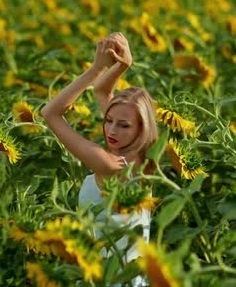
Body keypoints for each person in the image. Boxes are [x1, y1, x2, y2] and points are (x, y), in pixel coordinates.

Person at [40, 32, 158, 281]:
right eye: (108, 121)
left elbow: (51, 113)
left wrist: (96, 68)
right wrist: (122, 66)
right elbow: (102, 92)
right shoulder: (139, 156)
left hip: (111, 279)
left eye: (123, 125)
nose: (112, 130)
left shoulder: (109, 165)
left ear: (141, 128)